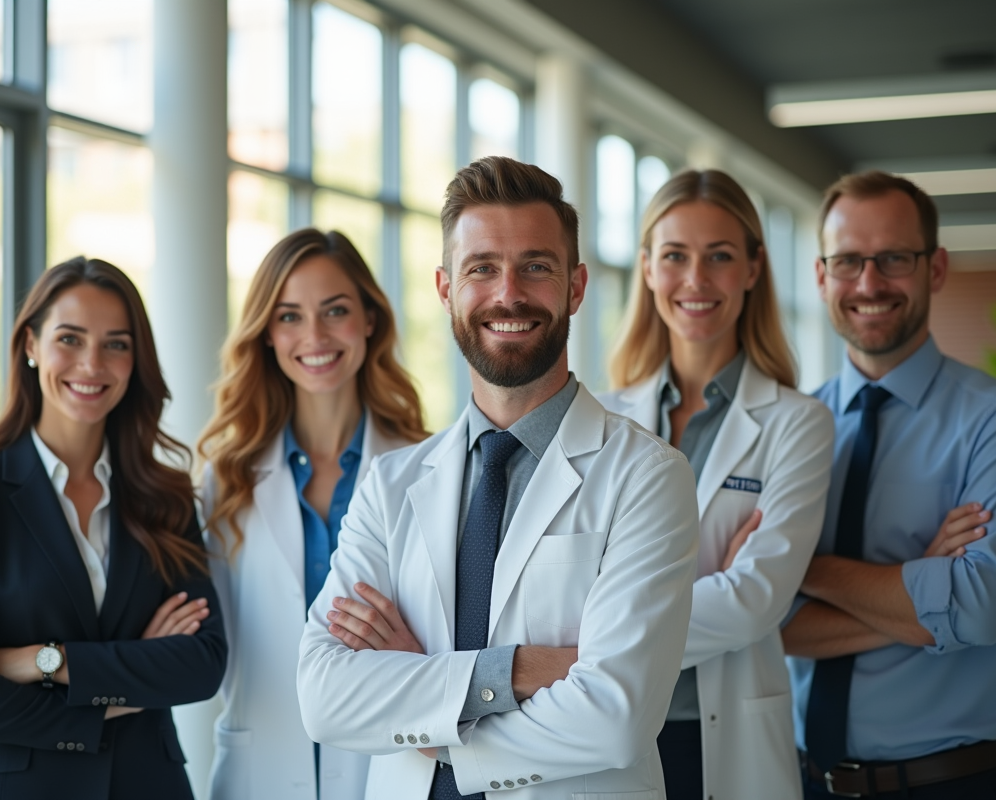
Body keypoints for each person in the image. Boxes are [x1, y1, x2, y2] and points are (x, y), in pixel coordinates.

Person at [295, 155, 700, 800]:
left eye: (536, 267)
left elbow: (616, 718)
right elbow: (325, 698)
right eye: (481, 268)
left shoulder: (648, 477)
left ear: (575, 287)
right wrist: (516, 672)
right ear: (445, 287)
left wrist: (420, 692)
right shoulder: (391, 483)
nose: (508, 294)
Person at [784, 171, 996, 799]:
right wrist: (922, 585)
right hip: (797, 781)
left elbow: (978, 607)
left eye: (894, 258)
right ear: (821, 277)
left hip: (947, 784)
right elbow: (763, 623)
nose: (870, 283)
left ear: (934, 268)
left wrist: (802, 569)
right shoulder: (790, 430)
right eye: (848, 261)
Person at [0, 257, 228, 800]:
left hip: (146, 785)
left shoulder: (166, 497)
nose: (92, 364)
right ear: (31, 346)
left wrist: (42, 661)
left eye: (116, 344)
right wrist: (130, 681)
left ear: (135, 361)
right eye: (70, 338)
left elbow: (201, 665)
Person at [599, 169, 834, 800]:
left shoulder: (798, 423)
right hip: (609, 734)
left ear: (754, 268)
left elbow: (757, 599)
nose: (696, 281)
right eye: (675, 256)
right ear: (647, 267)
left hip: (726, 740)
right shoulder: (599, 420)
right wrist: (711, 587)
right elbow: (567, 587)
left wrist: (604, 631)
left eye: (720, 257)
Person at [198, 228, 429, 800]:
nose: (316, 336)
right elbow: (213, 648)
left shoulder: (429, 467)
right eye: (290, 316)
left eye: (335, 311)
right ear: (267, 334)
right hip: (262, 770)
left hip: (392, 766)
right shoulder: (226, 478)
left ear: (370, 319)